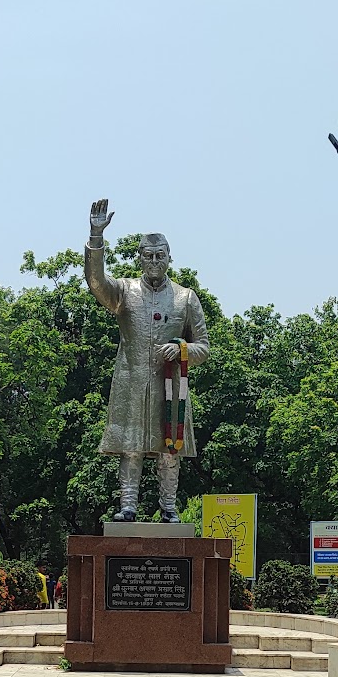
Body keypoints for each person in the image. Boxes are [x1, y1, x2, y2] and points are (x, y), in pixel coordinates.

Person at [85, 198, 210, 522]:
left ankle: (168, 507)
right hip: (131, 382)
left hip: (170, 387)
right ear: (139, 258)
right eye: (148, 255)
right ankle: (128, 505)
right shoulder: (124, 291)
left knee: (170, 450)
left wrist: (182, 349)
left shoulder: (186, 298)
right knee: (131, 447)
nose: (154, 260)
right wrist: (96, 238)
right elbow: (96, 282)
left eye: (160, 255)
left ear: (170, 258)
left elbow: (204, 348)